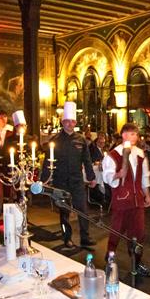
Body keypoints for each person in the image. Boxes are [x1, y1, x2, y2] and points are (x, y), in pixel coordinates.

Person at [101, 123, 150, 276]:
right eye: (131, 134)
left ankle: (136, 262)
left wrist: (147, 193)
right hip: (122, 200)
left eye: (136, 134)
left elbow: (144, 176)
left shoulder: (140, 154)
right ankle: (110, 258)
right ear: (124, 135)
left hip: (137, 200)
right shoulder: (113, 155)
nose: (134, 137)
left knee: (139, 232)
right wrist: (118, 174)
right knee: (116, 231)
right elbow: (107, 177)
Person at [45, 102, 97, 248]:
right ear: (63, 122)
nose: (70, 124)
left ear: (75, 122)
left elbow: (87, 160)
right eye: (67, 121)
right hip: (61, 182)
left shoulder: (81, 140)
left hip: (77, 181)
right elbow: (47, 162)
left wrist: (92, 177)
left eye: (72, 121)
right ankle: (66, 238)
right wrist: (43, 180)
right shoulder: (54, 141)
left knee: (83, 210)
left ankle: (85, 238)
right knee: (64, 212)